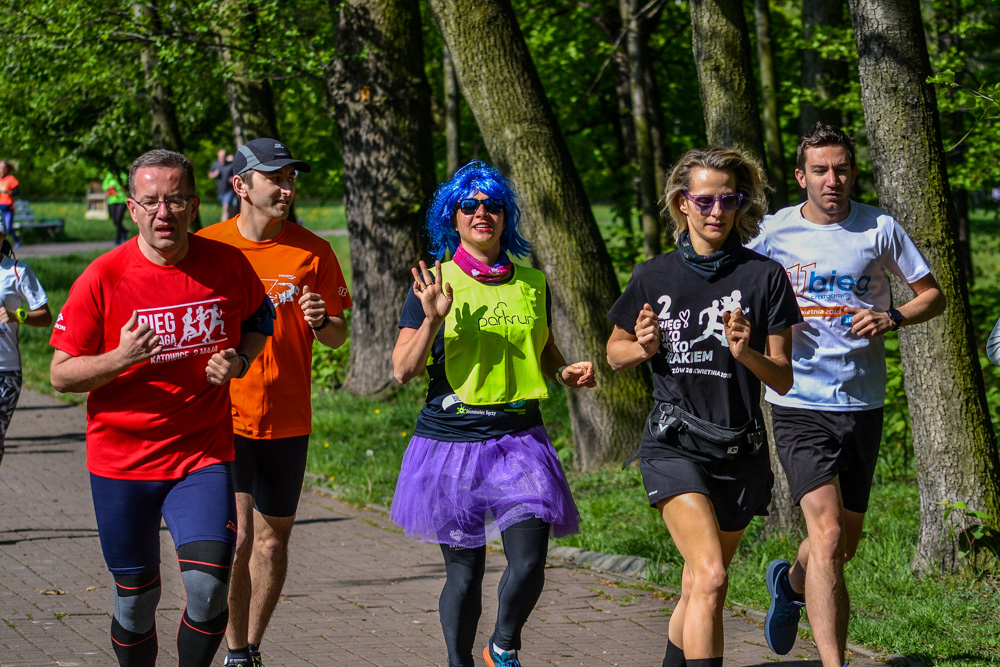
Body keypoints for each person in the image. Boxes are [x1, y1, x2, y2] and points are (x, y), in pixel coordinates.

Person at [49, 149, 274, 667]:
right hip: (121, 464)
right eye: (150, 202)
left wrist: (238, 362)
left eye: (174, 200)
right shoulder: (104, 277)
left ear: (195, 206)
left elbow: (260, 322)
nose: (163, 213)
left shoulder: (227, 264)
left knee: (208, 587)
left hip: (201, 456)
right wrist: (120, 359)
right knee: (136, 601)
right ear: (132, 209)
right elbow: (61, 373)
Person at [746, 123, 945, 667]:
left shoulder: (878, 227)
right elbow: (724, 273)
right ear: (800, 176)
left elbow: (933, 296)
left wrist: (891, 315)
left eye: (841, 169)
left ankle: (789, 584)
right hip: (796, 401)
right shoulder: (770, 231)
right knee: (828, 533)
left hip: (862, 402)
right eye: (820, 170)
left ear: (853, 172)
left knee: (841, 545)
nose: (831, 180)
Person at [391, 161, 595, 667]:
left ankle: (502, 643)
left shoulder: (532, 282)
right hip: (450, 442)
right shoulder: (434, 284)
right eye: (470, 205)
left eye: (493, 205)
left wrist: (562, 370)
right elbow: (402, 370)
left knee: (528, 564)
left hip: (520, 437)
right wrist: (432, 320)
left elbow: (541, 344)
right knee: (465, 574)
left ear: (506, 218)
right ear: (453, 218)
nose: (482, 213)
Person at [606, 147, 801, 667]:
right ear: (682, 204)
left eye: (729, 200)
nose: (717, 211)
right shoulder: (654, 276)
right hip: (674, 445)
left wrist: (747, 352)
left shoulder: (765, 278)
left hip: (739, 452)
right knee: (713, 576)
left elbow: (782, 377)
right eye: (706, 200)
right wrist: (643, 348)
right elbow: (615, 351)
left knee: (699, 583)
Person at [199, 137, 351, 667]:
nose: (286, 189)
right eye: (275, 178)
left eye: (290, 179)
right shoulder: (207, 249)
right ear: (241, 185)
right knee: (238, 541)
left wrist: (320, 320)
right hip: (225, 416)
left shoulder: (314, 251)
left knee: (271, 545)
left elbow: (337, 335)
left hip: (288, 417)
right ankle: (234, 651)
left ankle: (251, 646)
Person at [0, 231, 52, 468]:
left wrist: (17, 315)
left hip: (6, 371)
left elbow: (45, 316)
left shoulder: (18, 271)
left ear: (3, 238)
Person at [209, 149, 238, 222]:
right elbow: (210, 174)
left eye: (223, 157)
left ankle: (223, 226)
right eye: (220, 157)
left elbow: (237, 175)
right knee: (230, 210)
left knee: (226, 207)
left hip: (230, 191)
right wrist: (214, 175)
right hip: (220, 191)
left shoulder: (231, 165)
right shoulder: (216, 164)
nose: (221, 159)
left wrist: (233, 179)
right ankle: (232, 223)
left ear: (226, 156)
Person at [103, 169, 130, 245]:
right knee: (114, 220)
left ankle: (118, 239)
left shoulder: (122, 175)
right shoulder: (109, 176)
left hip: (121, 200)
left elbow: (125, 186)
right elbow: (104, 186)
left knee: (118, 220)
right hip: (112, 201)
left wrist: (115, 186)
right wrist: (109, 187)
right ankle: (124, 231)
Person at [0, 160, 20, 248]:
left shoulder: (11, 179)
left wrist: (7, 191)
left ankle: (16, 239)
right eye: (0, 167)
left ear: (7, 169)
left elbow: (16, 192)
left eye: (4, 167)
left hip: (8, 207)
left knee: (7, 228)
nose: (2, 169)